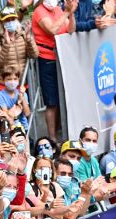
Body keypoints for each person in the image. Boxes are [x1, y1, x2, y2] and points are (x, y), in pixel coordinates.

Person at [32, 0, 77, 142]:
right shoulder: (39, 11)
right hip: (47, 58)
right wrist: (66, 13)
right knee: (51, 101)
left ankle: (64, 131)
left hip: (62, 57)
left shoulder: (58, 10)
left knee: (63, 97)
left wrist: (71, 14)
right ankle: (52, 138)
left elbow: (70, 30)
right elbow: (52, 29)